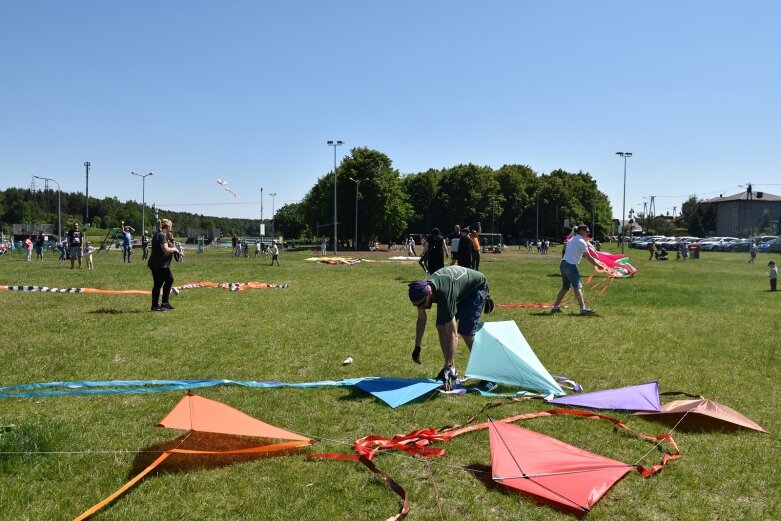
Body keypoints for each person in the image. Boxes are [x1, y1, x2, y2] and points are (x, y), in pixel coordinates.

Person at [408, 265, 496, 392]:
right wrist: (417, 346)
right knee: (441, 326)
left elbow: (453, 335)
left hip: (475, 289)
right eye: (418, 305)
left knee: (466, 332)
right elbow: (421, 319)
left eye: (422, 303)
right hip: (457, 290)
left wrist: (447, 365)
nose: (421, 306)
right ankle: (451, 370)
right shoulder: (422, 292)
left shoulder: (444, 293)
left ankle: (490, 376)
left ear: (430, 293)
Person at [551, 224, 600, 315]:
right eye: (587, 231)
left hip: (563, 264)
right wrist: (598, 265)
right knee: (578, 287)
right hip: (570, 265)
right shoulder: (581, 241)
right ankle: (583, 309)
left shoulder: (572, 239)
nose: (588, 233)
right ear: (581, 231)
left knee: (565, 288)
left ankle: (555, 307)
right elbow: (588, 257)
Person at [147, 218, 182, 311]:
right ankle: (154, 306)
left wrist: (177, 250)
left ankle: (165, 303)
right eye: (171, 227)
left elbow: (169, 247)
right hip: (158, 265)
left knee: (169, 280)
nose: (171, 229)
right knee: (158, 285)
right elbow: (166, 250)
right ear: (168, 226)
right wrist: (174, 249)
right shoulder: (161, 235)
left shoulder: (163, 235)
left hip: (163, 265)